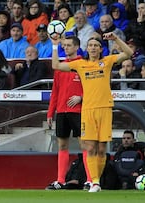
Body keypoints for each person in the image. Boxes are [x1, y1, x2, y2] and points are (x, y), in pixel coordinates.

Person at [51, 31, 134, 192]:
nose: (93, 48)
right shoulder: (80, 64)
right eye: (90, 45)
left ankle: (96, 180)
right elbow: (56, 66)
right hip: (88, 111)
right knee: (90, 147)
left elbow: (129, 53)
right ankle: (94, 182)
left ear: (100, 49)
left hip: (104, 109)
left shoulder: (107, 62)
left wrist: (116, 39)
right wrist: (55, 45)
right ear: (87, 48)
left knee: (102, 149)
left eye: (96, 45)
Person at [46, 35, 92, 190]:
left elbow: (94, 88)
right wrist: (51, 112)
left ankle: (90, 180)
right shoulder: (61, 67)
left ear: (76, 47)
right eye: (63, 45)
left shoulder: (84, 65)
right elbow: (55, 91)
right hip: (62, 111)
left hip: (79, 111)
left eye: (68, 45)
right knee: (62, 145)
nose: (65, 48)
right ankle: (60, 180)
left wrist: (81, 97)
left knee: (84, 145)